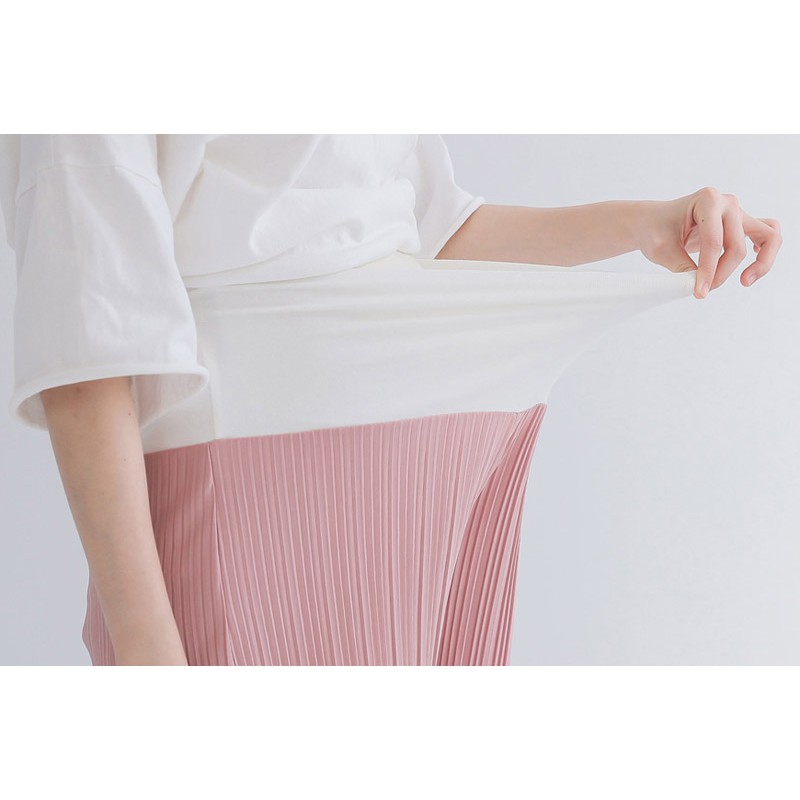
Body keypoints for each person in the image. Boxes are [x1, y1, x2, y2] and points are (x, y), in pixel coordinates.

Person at [0, 134, 782, 666]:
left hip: (414, 505)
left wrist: (643, 224)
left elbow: (427, 229)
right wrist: (147, 655)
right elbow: (86, 345)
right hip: (249, 510)